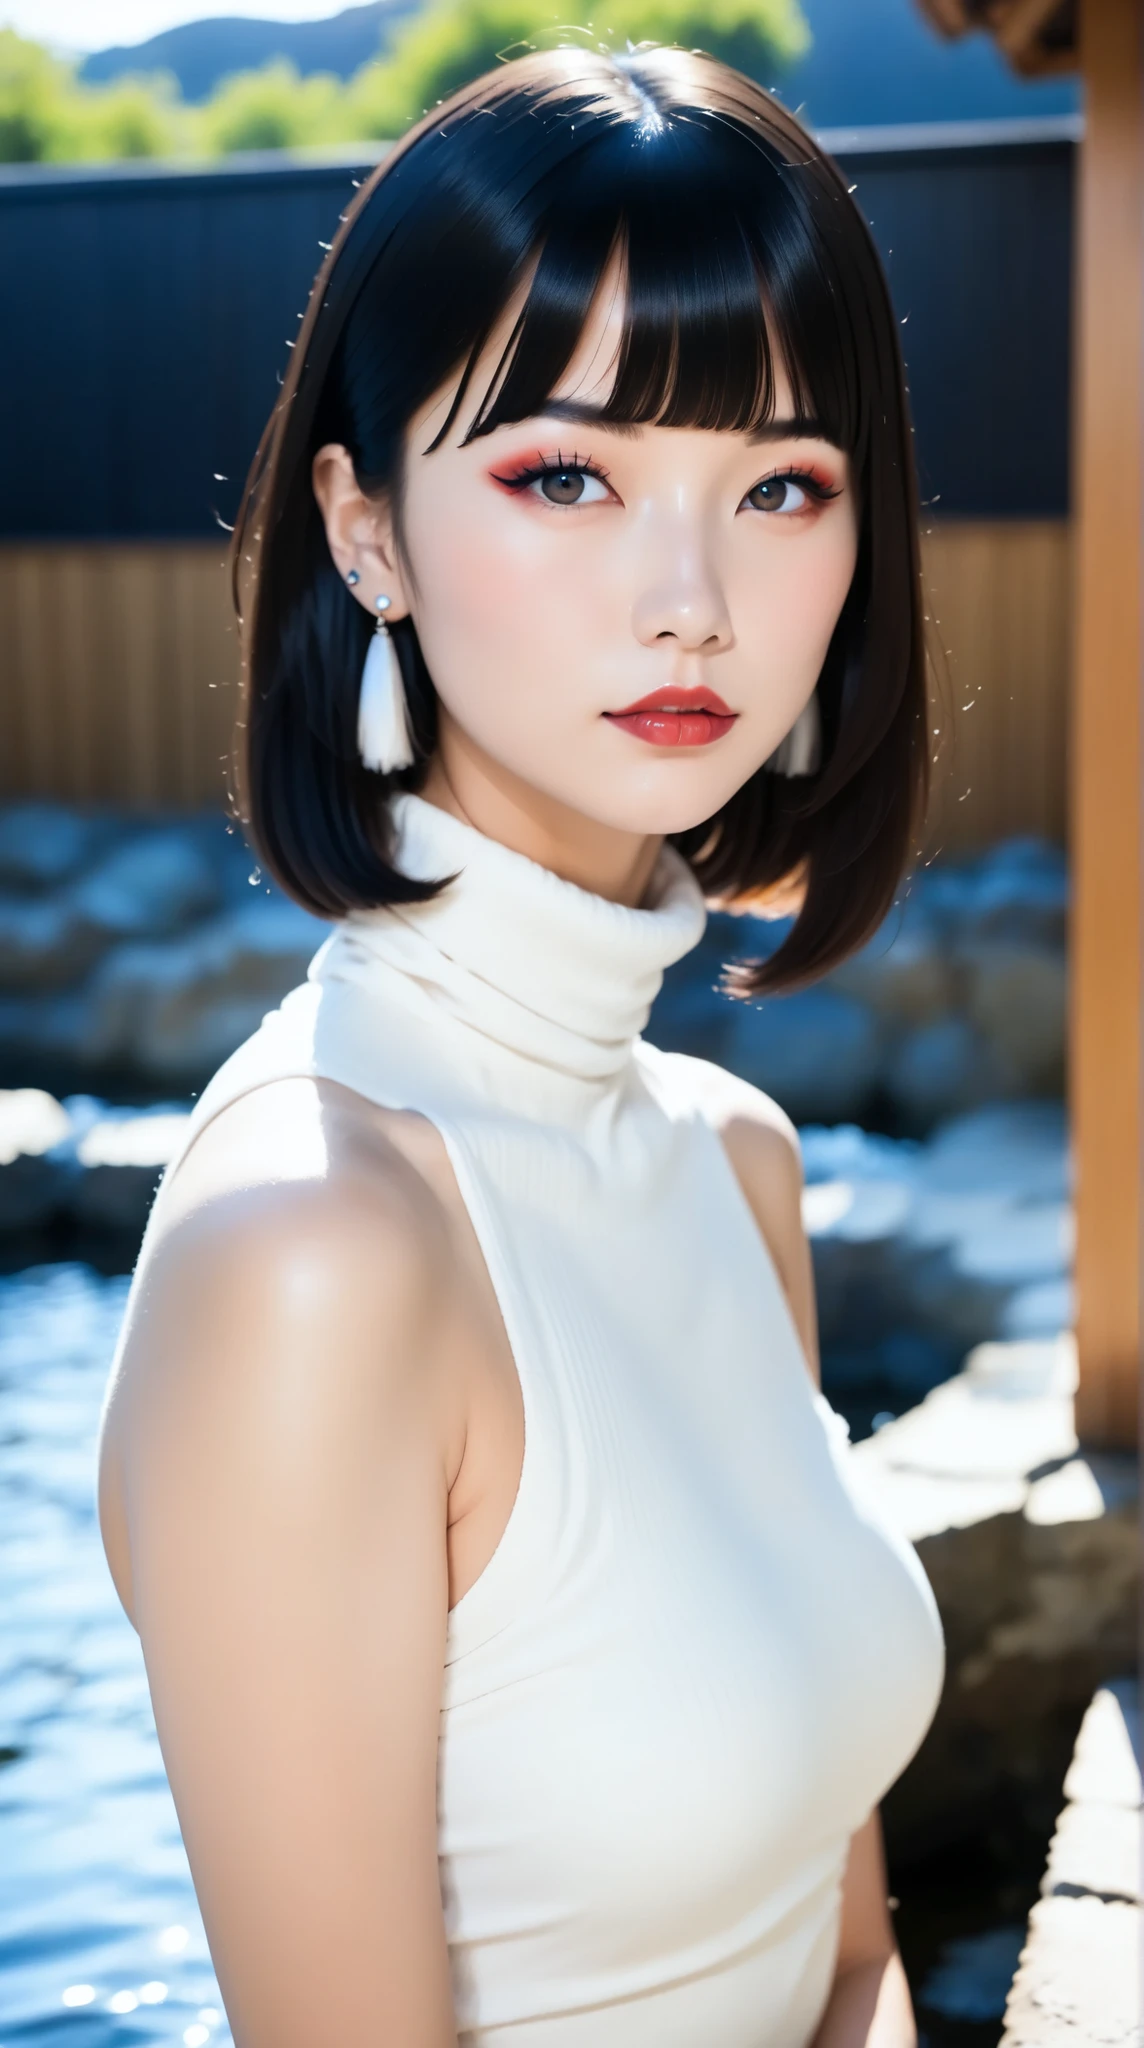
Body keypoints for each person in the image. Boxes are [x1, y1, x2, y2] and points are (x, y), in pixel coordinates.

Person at [96, 44, 945, 2048]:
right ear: (364, 527)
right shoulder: (310, 1247)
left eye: (779, 485)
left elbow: (844, 1959)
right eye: (565, 474)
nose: (691, 598)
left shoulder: (733, 1166)